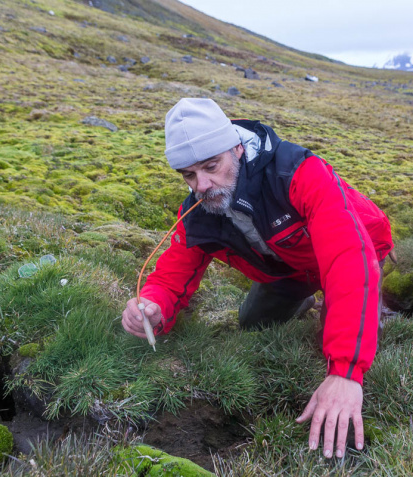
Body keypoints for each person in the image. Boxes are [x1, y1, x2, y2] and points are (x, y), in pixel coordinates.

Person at [122, 98, 393, 459]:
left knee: (337, 335)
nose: (202, 185)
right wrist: (153, 305)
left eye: (211, 166)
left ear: (235, 146)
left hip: (360, 247)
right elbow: (171, 277)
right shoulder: (199, 210)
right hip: (289, 268)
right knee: (252, 323)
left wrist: (345, 373)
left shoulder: (296, 172)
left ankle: (364, 308)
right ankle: (306, 299)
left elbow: (347, 258)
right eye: (189, 175)